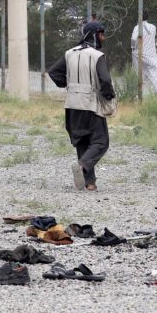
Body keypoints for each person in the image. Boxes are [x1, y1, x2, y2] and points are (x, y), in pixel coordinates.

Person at [48, 21, 116, 191]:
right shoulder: (97, 55)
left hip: (71, 106)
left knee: (82, 142)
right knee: (101, 142)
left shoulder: (69, 53)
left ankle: (90, 183)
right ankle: (82, 165)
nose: (104, 38)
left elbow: (53, 72)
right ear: (93, 35)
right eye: (101, 34)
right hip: (90, 104)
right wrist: (109, 95)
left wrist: (67, 84)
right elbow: (105, 79)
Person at [131, 11, 157, 96]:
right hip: (151, 55)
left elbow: (133, 39)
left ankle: (137, 93)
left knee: (138, 73)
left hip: (138, 53)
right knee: (155, 72)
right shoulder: (153, 27)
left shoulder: (137, 27)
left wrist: (133, 47)